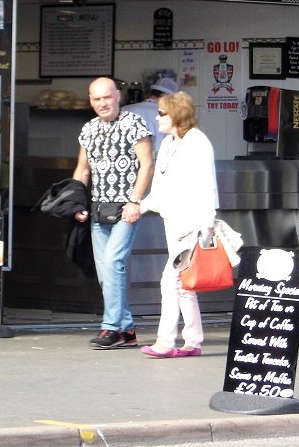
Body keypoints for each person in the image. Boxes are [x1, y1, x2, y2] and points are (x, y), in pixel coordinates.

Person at [72, 77, 153, 350]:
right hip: (97, 209)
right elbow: (83, 170)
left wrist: (135, 201)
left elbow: (147, 164)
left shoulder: (134, 124)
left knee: (113, 263)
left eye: (106, 97)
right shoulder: (89, 129)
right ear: (90, 101)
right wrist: (77, 203)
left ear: (118, 96)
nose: (102, 103)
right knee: (105, 273)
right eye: (96, 99)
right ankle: (127, 329)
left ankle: (110, 329)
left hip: (125, 209)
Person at [139, 91, 216, 358]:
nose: (157, 117)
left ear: (177, 114)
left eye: (162, 113)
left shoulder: (197, 143)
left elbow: (207, 184)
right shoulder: (171, 142)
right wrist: (141, 205)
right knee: (183, 285)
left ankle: (165, 341)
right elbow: (161, 187)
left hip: (191, 222)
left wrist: (207, 224)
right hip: (174, 221)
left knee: (170, 281)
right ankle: (193, 341)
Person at [122, 76, 179, 155]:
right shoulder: (167, 115)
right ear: (165, 96)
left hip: (124, 160)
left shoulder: (125, 109)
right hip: (156, 160)